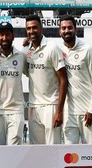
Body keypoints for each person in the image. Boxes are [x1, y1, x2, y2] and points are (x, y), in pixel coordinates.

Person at [25, 14, 68, 145]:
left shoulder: (52, 47)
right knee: (36, 152)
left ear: (41, 28)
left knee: (53, 150)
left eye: (34, 28)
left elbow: (63, 79)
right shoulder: (27, 51)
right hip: (33, 107)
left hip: (51, 106)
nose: (31, 31)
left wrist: (59, 110)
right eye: (28, 29)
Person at [58, 15, 92, 144]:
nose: (66, 31)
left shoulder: (87, 50)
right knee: (69, 156)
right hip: (68, 113)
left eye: (70, 27)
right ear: (59, 31)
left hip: (87, 112)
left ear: (76, 30)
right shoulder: (59, 51)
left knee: (91, 153)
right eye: (63, 28)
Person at [0, 22, 28, 146]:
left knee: (13, 149)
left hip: (16, 110)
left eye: (7, 35)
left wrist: (28, 46)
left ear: (13, 36)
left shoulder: (21, 56)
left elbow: (34, 73)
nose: (5, 38)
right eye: (1, 35)